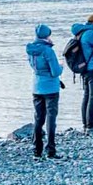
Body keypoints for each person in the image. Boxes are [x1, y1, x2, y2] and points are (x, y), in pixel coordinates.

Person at [26, 24, 64, 159]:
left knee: (38, 118)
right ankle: (51, 151)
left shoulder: (30, 49)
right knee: (51, 118)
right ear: (47, 35)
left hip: (36, 87)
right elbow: (55, 72)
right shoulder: (48, 51)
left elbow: (33, 67)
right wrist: (61, 67)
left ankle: (37, 150)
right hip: (51, 88)